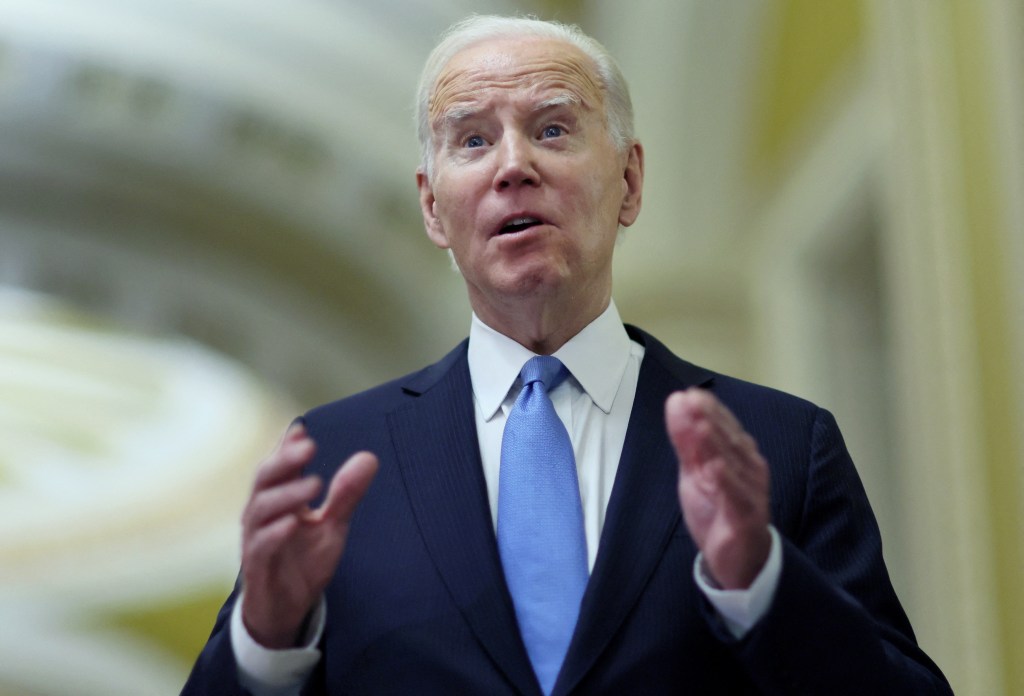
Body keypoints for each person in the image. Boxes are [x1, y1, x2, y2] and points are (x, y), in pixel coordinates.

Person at [183, 14, 951, 696]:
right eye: (473, 139)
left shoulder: (780, 445)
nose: (512, 165)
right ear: (432, 207)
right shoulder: (334, 461)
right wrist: (265, 642)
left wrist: (762, 585)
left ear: (630, 181)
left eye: (552, 128)